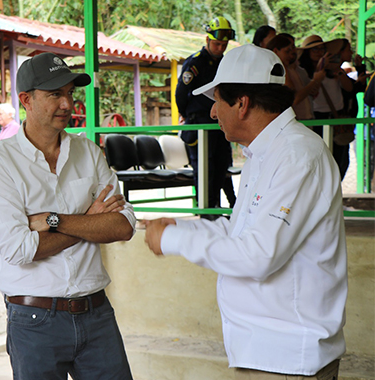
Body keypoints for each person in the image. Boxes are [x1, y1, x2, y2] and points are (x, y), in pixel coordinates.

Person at [145, 45, 347, 380]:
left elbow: (259, 255)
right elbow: (239, 230)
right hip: (265, 352)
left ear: (242, 103)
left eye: (217, 102)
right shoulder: (265, 153)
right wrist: (178, 227)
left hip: (288, 358)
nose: (212, 114)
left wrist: (174, 239)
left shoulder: (297, 156)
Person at [0, 52, 136, 380]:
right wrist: (89, 220)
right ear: (26, 100)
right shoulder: (1, 163)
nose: (67, 104)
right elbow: (19, 249)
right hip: (34, 319)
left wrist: (54, 220)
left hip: (96, 313)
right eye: (55, 94)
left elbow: (122, 226)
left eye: (70, 93)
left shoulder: (88, 152)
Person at [175, 16, 236, 211]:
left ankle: (215, 209)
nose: (220, 48)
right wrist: (187, 115)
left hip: (221, 124)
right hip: (200, 123)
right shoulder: (196, 63)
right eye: (217, 44)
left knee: (221, 167)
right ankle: (205, 211)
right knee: (204, 169)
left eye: (224, 44)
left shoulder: (227, 63)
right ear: (208, 40)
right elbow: (181, 93)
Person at [299, 35, 354, 179]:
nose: (318, 52)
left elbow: (349, 88)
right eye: (314, 49)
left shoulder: (333, 69)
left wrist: (338, 70)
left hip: (336, 117)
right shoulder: (304, 73)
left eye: (321, 48)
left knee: (341, 161)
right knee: (321, 162)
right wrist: (319, 71)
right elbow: (312, 93)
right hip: (317, 118)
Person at [267, 33, 324, 121]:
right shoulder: (276, 72)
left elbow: (312, 93)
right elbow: (294, 99)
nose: (291, 55)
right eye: (287, 51)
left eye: (292, 49)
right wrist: (315, 80)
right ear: (275, 51)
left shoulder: (298, 70)